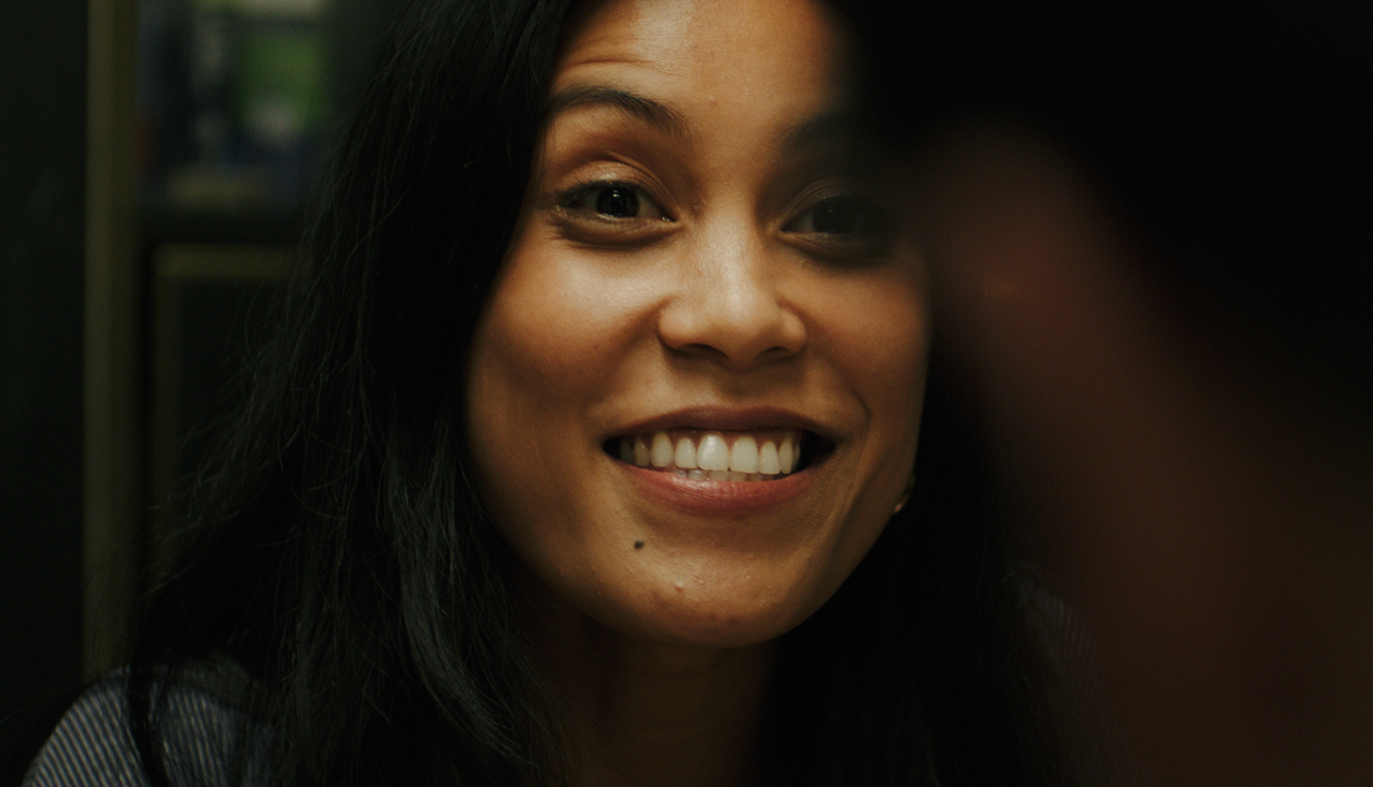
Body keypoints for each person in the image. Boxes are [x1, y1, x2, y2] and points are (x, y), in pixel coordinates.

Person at [22, 0, 1077, 784]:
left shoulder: (1097, 724)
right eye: (615, 199)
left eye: (839, 214)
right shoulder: (181, 769)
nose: (740, 313)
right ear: (433, 297)